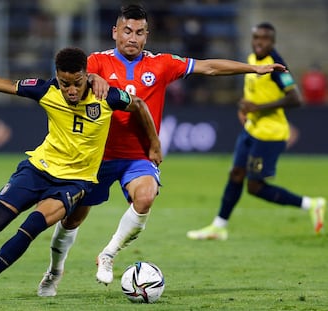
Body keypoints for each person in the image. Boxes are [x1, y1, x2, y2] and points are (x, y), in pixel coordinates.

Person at [37, 5, 289, 297]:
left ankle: (108, 253)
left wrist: (255, 69)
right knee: (72, 219)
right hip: (97, 156)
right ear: (115, 32)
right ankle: (54, 272)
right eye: (127, 31)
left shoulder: (161, 64)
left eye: (140, 32)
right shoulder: (96, 62)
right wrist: (94, 78)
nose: (133, 38)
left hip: (139, 157)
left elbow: (208, 67)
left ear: (147, 36)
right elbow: (75, 80)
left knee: (145, 197)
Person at [0, 46, 161, 303]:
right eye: (65, 84)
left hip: (75, 182)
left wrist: (154, 144)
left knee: (29, 229)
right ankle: (7, 208)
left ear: (86, 75)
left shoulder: (107, 96)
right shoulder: (46, 90)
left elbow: (140, 105)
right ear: (57, 77)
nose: (71, 91)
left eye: (77, 83)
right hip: (39, 169)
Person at [186, 22, 326, 241]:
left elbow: (295, 98)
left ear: (273, 42)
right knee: (235, 174)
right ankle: (219, 227)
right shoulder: (252, 60)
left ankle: (311, 204)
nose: (260, 42)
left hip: (270, 134)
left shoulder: (276, 65)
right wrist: (246, 107)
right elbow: (254, 91)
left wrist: (257, 108)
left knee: (255, 186)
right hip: (252, 129)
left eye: (265, 39)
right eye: (257, 38)